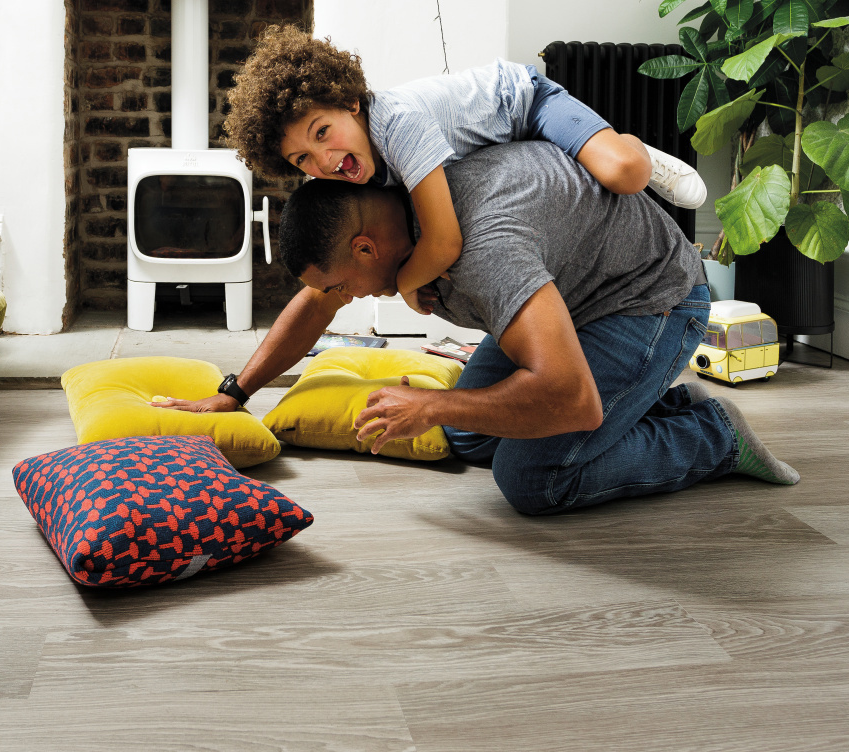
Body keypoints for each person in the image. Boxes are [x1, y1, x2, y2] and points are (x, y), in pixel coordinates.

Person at [155, 141, 797, 514]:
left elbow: (566, 395)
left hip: (648, 304)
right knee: (468, 431)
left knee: (531, 479)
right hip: (568, 300)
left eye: (338, 285)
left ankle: (711, 436)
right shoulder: (398, 190)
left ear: (366, 249)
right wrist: (235, 391)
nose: (336, 300)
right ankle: (648, 401)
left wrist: (431, 402)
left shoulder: (485, 252)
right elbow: (315, 303)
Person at [223, 25, 707, 316]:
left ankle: (630, 142)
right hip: (483, 153)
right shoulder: (344, 169)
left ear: (350, 102)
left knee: (625, 174)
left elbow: (444, 243)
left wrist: (405, 284)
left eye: (322, 132)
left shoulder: (400, 126)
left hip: (523, 105)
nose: (322, 161)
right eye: (301, 159)